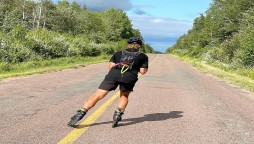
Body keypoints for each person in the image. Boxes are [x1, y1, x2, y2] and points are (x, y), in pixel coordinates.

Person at [67, 37, 149, 128]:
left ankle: (80, 113)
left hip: (113, 75)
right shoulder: (143, 56)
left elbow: (110, 67)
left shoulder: (118, 53)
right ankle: (117, 116)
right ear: (139, 46)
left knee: (98, 95)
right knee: (124, 95)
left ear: (127, 44)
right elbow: (143, 72)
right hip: (129, 77)